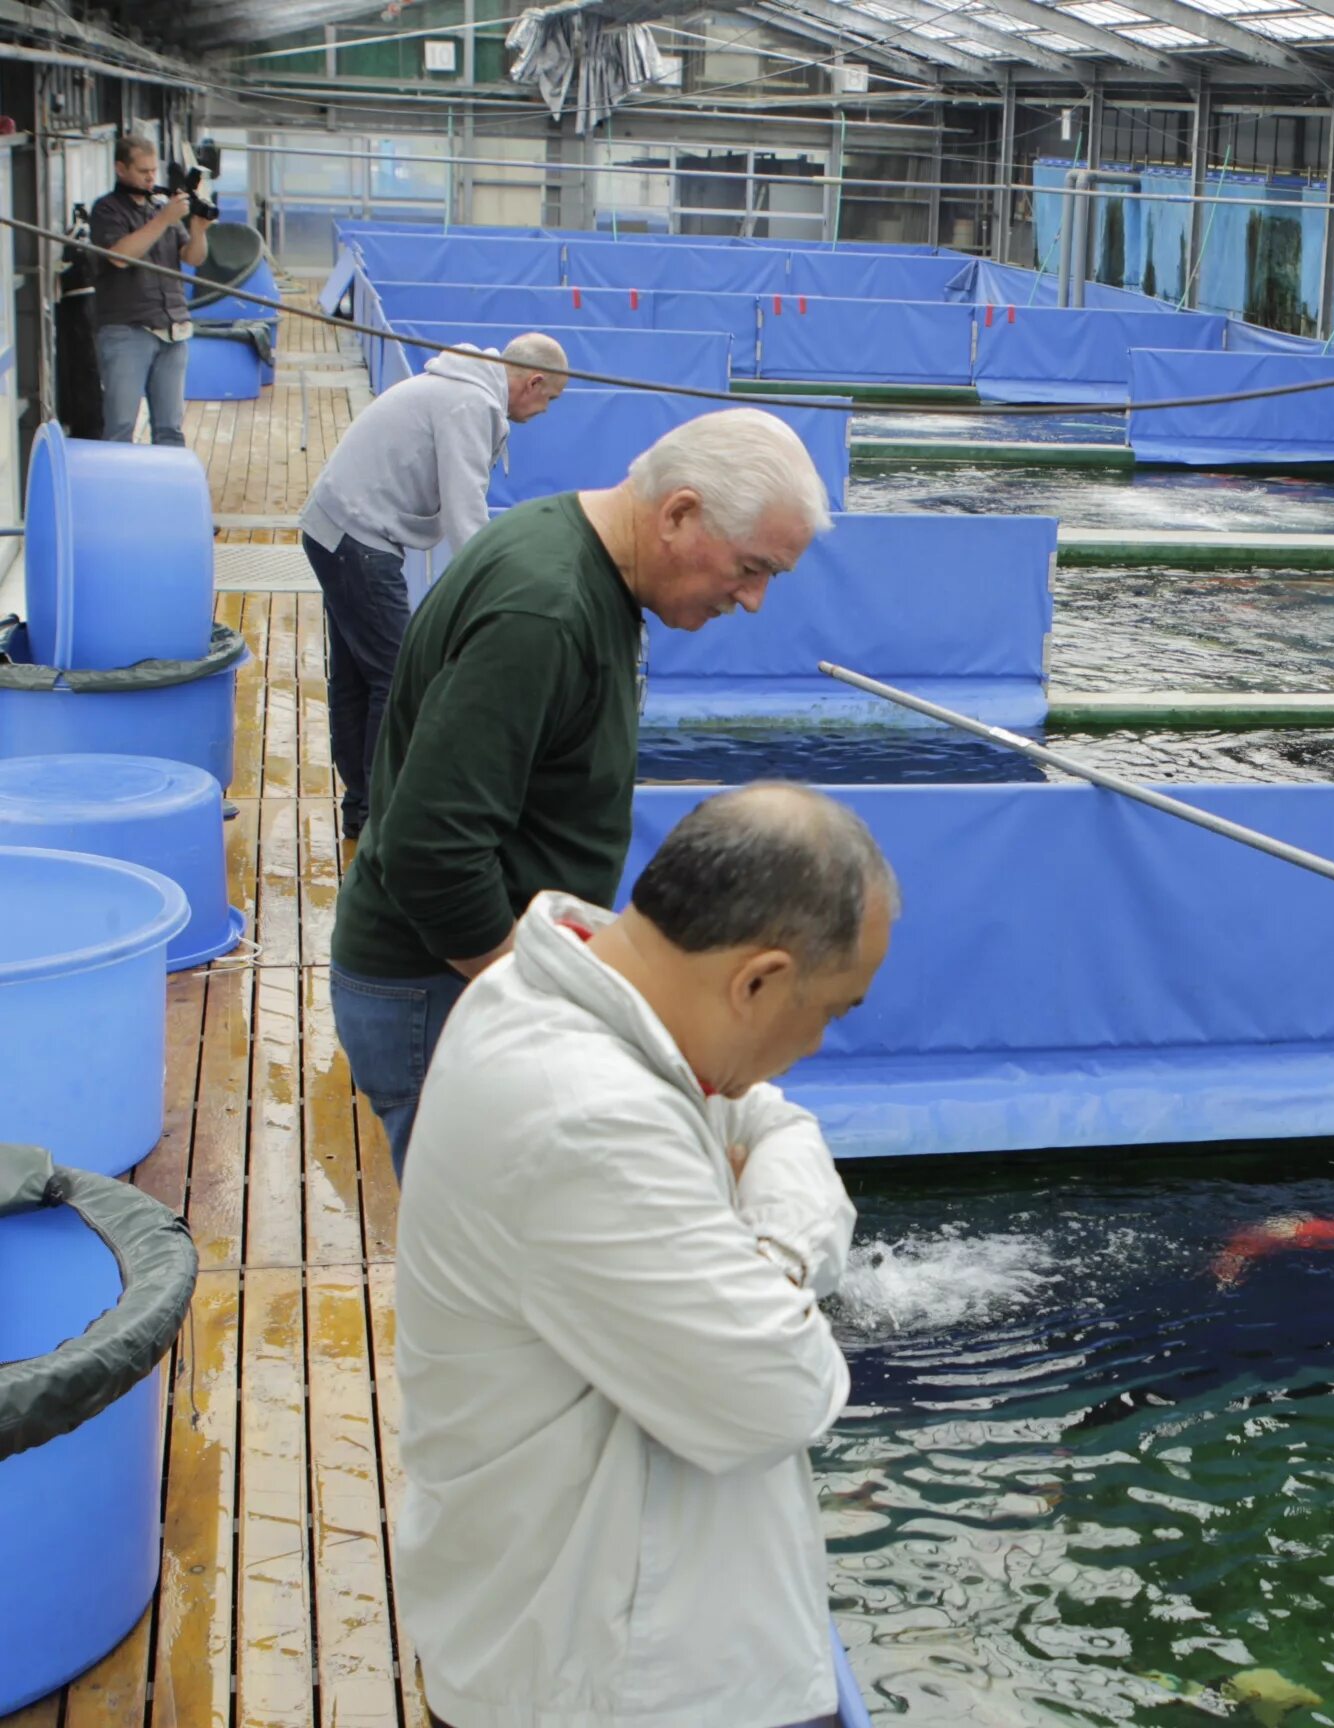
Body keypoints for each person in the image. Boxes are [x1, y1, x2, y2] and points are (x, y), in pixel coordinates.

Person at [393, 783, 897, 1728]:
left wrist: (748, 1239)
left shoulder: (593, 1000)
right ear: (757, 980)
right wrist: (780, 1259)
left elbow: (781, 1129)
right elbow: (784, 1393)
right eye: (828, 1010)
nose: (816, 1047)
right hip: (621, 1680)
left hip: (610, 1630)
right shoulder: (587, 1117)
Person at [330, 407, 831, 1173]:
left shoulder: (587, 563)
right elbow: (431, 853)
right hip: (441, 994)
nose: (755, 598)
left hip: (464, 983)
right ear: (679, 513)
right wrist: (553, 1009)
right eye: (752, 567)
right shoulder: (545, 612)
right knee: (493, 1270)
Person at [300, 332, 570, 839]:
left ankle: (362, 809)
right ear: (533, 381)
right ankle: (382, 814)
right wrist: (503, 589)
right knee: (398, 676)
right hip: (356, 536)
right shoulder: (469, 403)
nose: (544, 411)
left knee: (360, 675)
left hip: (333, 525)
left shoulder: (463, 388)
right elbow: (465, 511)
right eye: (549, 399)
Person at [88, 133, 211, 447]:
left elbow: (193, 258)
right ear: (120, 169)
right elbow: (118, 257)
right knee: (121, 426)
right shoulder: (107, 210)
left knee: (171, 429)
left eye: (153, 171)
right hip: (127, 330)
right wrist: (163, 219)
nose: (150, 178)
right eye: (142, 171)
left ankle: (163, 491)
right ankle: (116, 493)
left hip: (173, 328)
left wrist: (198, 231)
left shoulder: (161, 207)